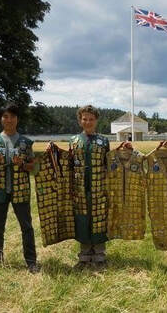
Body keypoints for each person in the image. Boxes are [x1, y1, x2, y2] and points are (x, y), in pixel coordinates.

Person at [0, 103, 39, 273]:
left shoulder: (25, 142)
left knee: (27, 227)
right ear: (1, 119)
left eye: (12, 116)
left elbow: (33, 167)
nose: (9, 120)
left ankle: (31, 262)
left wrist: (22, 163)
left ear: (17, 119)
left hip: (20, 190)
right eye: (5, 116)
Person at [70, 105, 110, 269]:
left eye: (91, 119)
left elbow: (109, 164)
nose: (88, 122)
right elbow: (69, 164)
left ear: (96, 121)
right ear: (80, 120)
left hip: (98, 187)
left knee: (99, 219)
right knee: (82, 220)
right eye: (84, 119)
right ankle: (84, 256)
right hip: (80, 188)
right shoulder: (74, 141)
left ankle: (99, 256)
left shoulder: (103, 141)